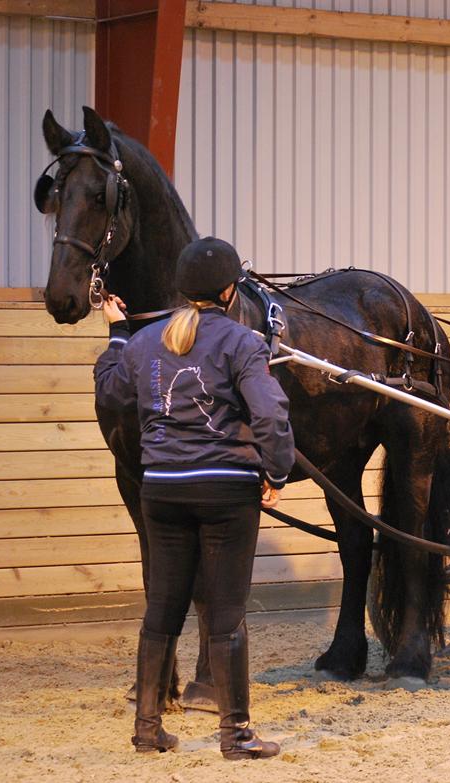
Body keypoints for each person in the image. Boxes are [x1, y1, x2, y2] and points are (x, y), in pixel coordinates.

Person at [95, 236, 295, 758]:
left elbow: (110, 394)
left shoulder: (144, 342)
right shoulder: (245, 342)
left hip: (160, 490)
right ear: (230, 290)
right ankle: (236, 734)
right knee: (227, 614)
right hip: (225, 490)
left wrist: (117, 335)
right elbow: (270, 415)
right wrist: (276, 472)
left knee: (162, 609)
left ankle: (147, 730)